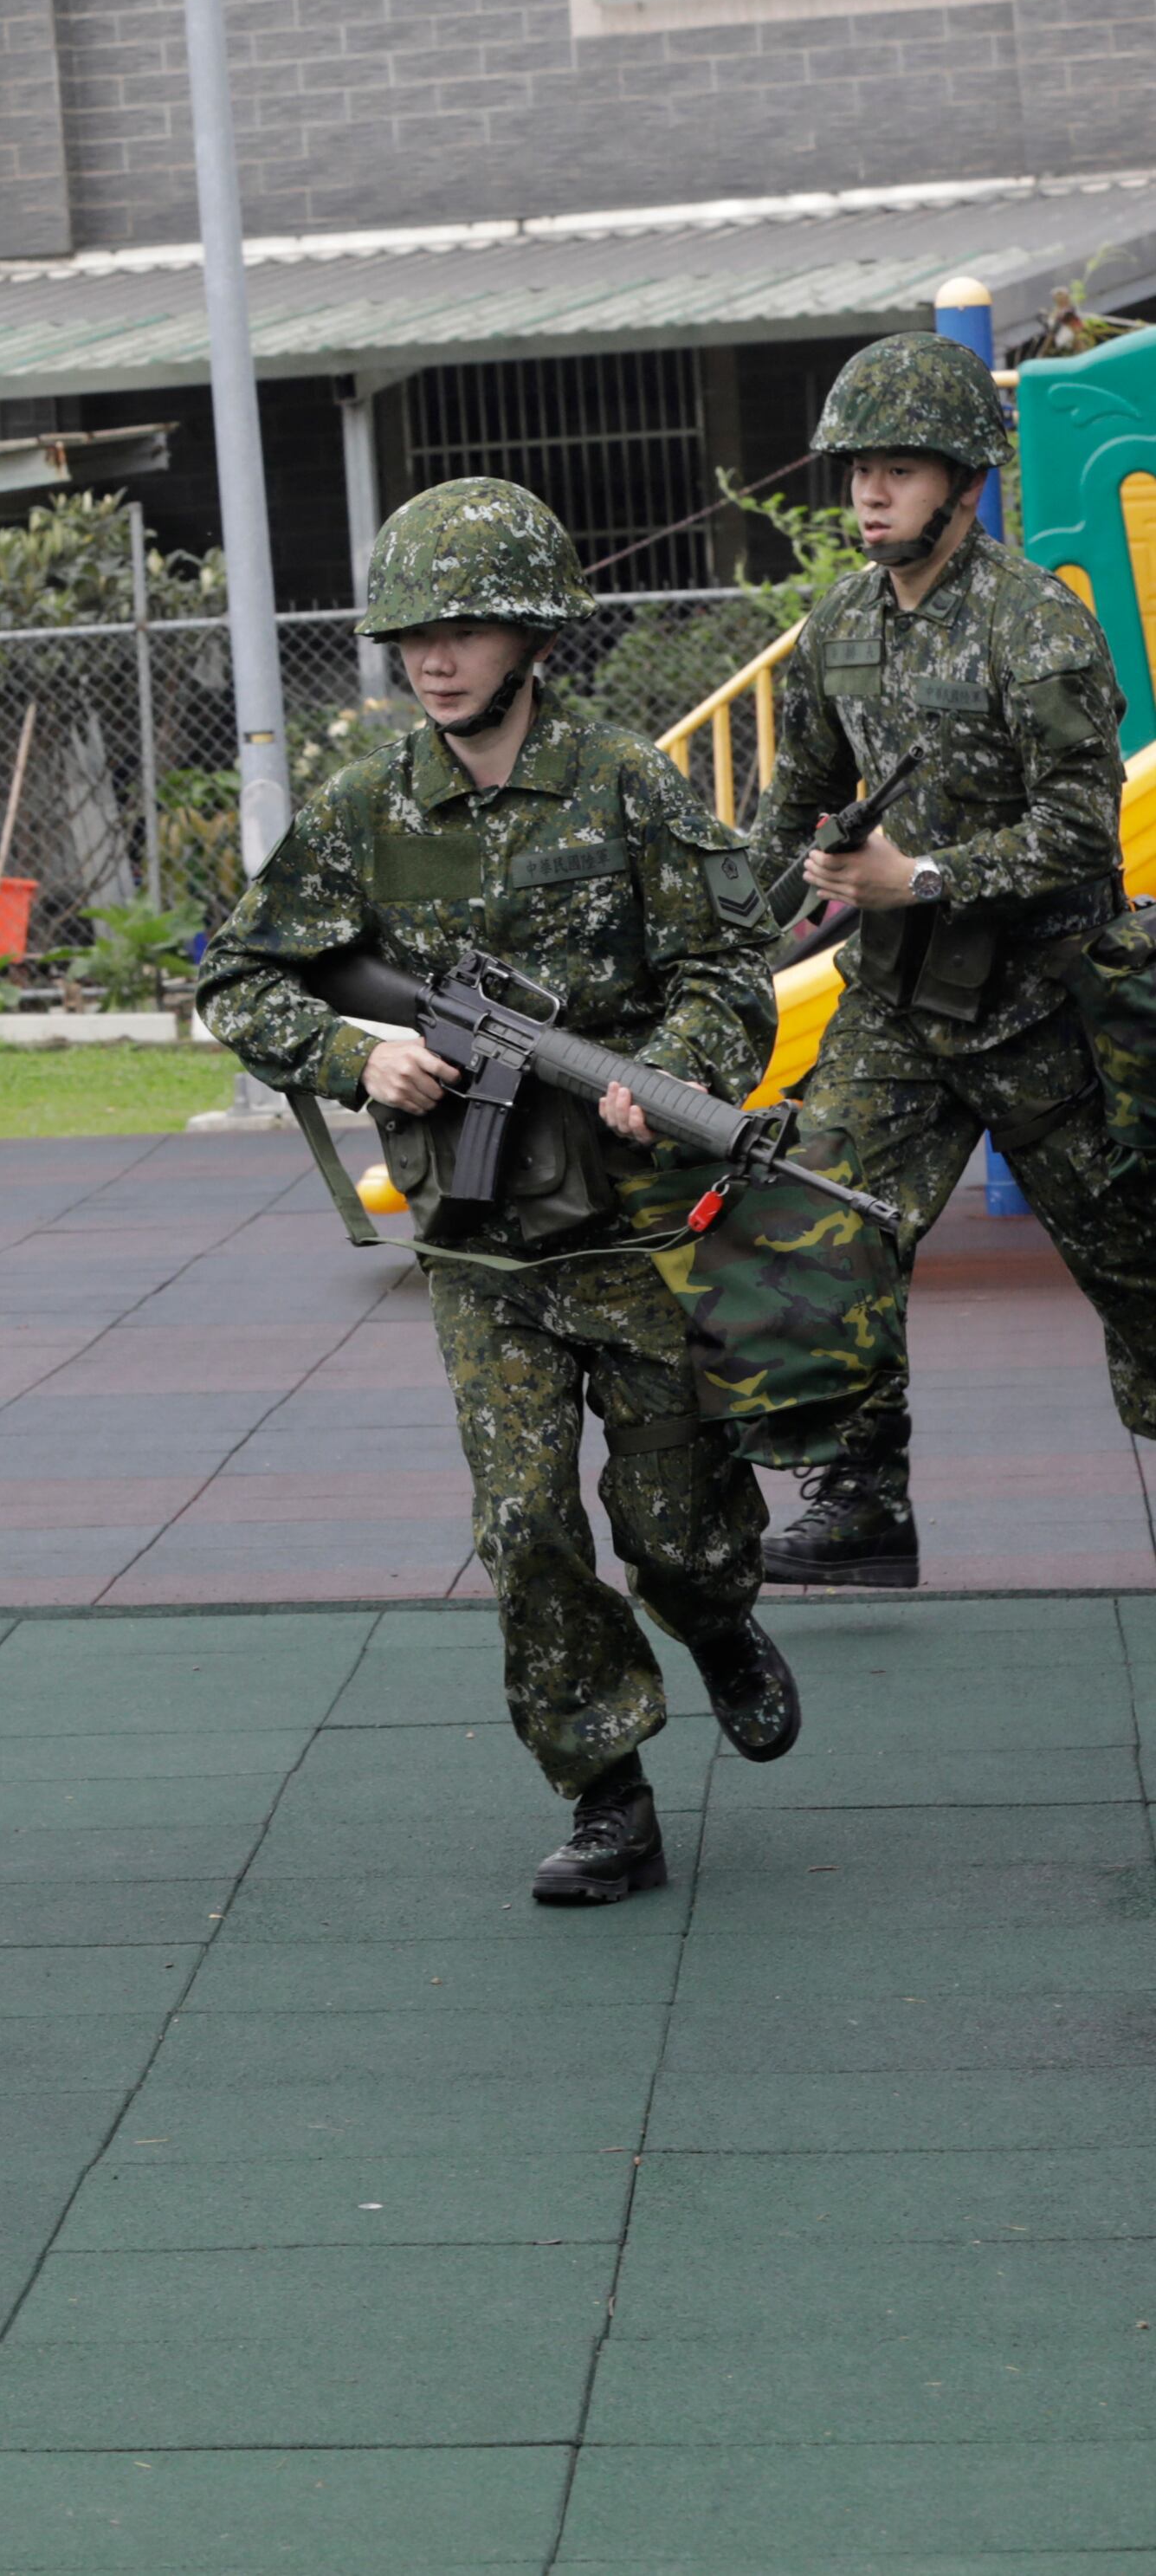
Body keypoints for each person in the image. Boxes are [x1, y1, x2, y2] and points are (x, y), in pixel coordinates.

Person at [197, 479, 804, 1905]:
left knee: (677, 1527)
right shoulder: (365, 805)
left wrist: (660, 1069)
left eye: (464, 626)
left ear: (531, 632)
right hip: (481, 1247)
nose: (434, 656)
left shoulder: (625, 782)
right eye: (412, 631)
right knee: (525, 1525)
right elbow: (235, 971)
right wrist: (357, 1050)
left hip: (637, 1223)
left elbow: (732, 966)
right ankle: (606, 1789)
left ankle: (715, 1617)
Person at [740, 332, 1156, 1588]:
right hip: (906, 1001)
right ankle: (863, 1498)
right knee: (819, 1222)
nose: (871, 491)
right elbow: (792, 805)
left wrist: (920, 876)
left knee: (1140, 1258)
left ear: (965, 484)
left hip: (1053, 999)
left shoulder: (1036, 627)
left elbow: (1085, 827)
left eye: (902, 470)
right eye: (860, 467)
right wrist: (727, 937)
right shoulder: (837, 631)